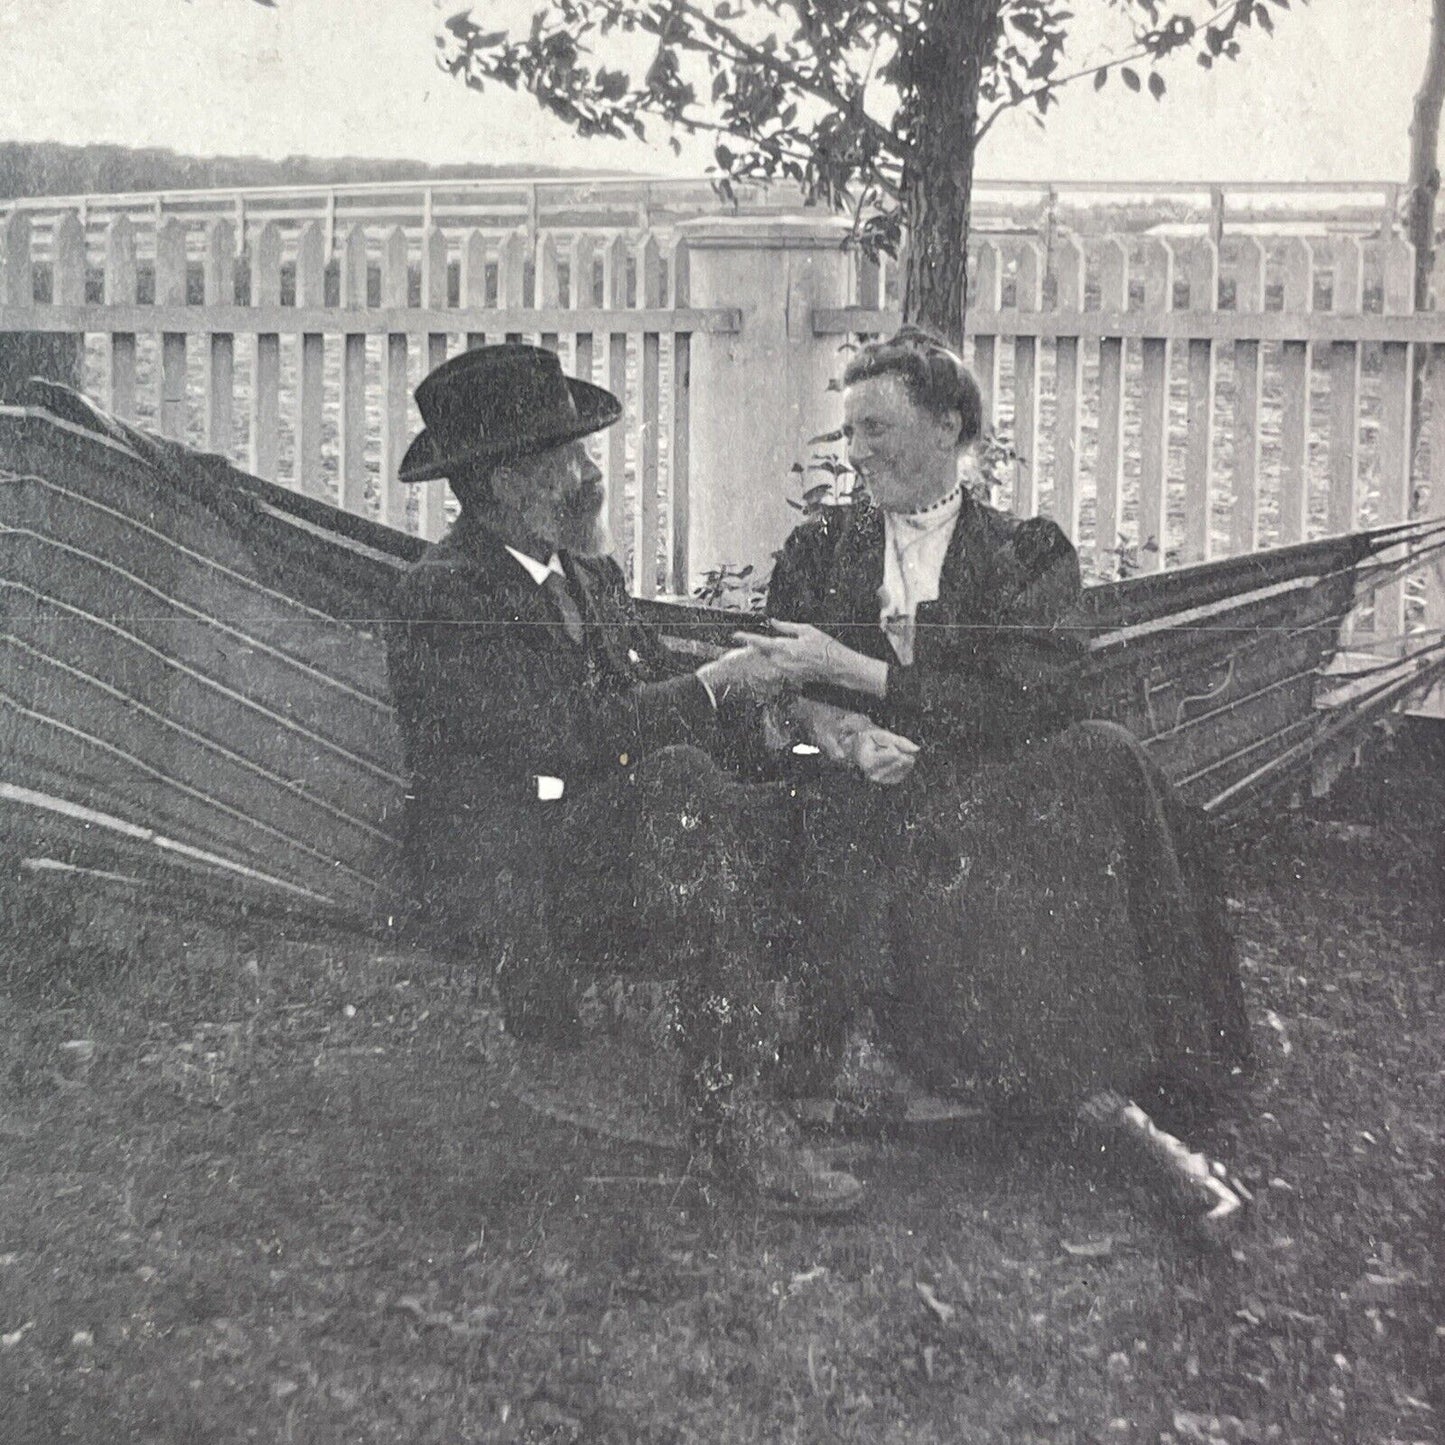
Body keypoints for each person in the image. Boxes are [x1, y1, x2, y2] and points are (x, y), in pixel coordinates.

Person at [384, 343, 863, 1216]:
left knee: (808, 788)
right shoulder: (444, 597)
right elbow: (564, 741)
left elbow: (638, 700)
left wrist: (791, 727)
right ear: (501, 487)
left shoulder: (586, 573)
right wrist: (713, 686)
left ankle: (798, 1073)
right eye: (563, 458)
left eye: (583, 449)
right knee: (680, 782)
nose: (588, 474)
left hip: (610, 835)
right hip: (511, 870)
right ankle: (735, 1125)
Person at [744, 326, 1252, 1139]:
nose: (856, 452)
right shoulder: (820, 550)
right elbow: (780, 687)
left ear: (946, 426)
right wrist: (847, 732)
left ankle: (1168, 1056)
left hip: (989, 790)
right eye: (849, 431)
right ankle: (1042, 1080)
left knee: (1104, 756)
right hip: (869, 802)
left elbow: (1032, 703)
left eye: (875, 428)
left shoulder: (1022, 553)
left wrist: (859, 668)